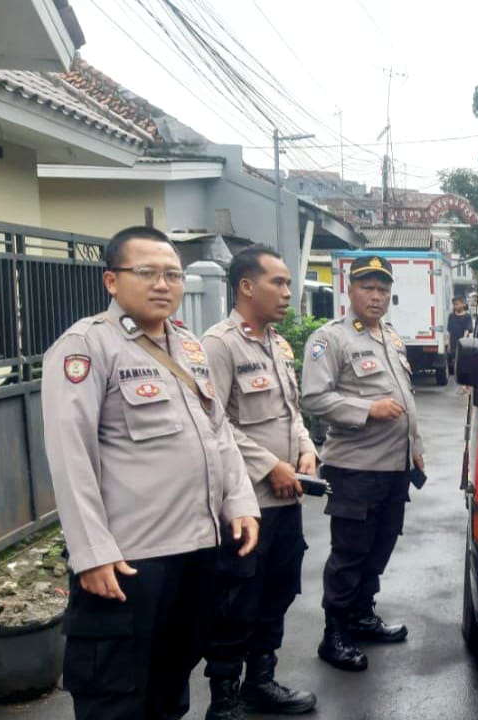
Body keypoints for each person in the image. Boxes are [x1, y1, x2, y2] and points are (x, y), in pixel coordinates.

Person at [43, 226, 260, 720]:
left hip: (194, 551)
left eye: (173, 275)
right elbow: (71, 456)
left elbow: (218, 432)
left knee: (170, 686)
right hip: (129, 562)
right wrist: (91, 553)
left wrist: (240, 501)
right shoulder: (86, 347)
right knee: (116, 696)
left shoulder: (189, 346)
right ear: (112, 281)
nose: (163, 285)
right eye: (147, 273)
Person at [200, 246, 318, 718]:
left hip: (287, 499)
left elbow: (292, 412)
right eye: (278, 283)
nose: (288, 292)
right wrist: (270, 465)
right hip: (246, 504)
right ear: (246, 287)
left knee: (277, 593)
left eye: (288, 283)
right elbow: (213, 423)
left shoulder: (277, 344)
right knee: (236, 600)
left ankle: (260, 682)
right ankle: (224, 699)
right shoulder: (219, 344)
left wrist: (307, 449)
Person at [301, 254, 425, 672]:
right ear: (350, 290)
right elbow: (314, 398)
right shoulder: (330, 339)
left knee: (380, 546)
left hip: (393, 466)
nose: (376, 296)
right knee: (350, 553)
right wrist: (367, 408)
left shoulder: (390, 337)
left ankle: (361, 615)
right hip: (355, 467)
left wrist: (415, 446)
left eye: (383, 290)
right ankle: (334, 634)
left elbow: (406, 398)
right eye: (368, 288)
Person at [446, 295, 474, 380]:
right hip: (453, 343)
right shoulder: (451, 316)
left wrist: (463, 340)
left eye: (457, 304)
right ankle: (458, 377)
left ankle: (464, 378)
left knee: (463, 361)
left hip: (463, 344)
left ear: (462, 304)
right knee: (455, 361)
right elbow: (449, 331)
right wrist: (449, 344)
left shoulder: (467, 316)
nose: (455, 306)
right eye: (454, 304)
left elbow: (467, 329)